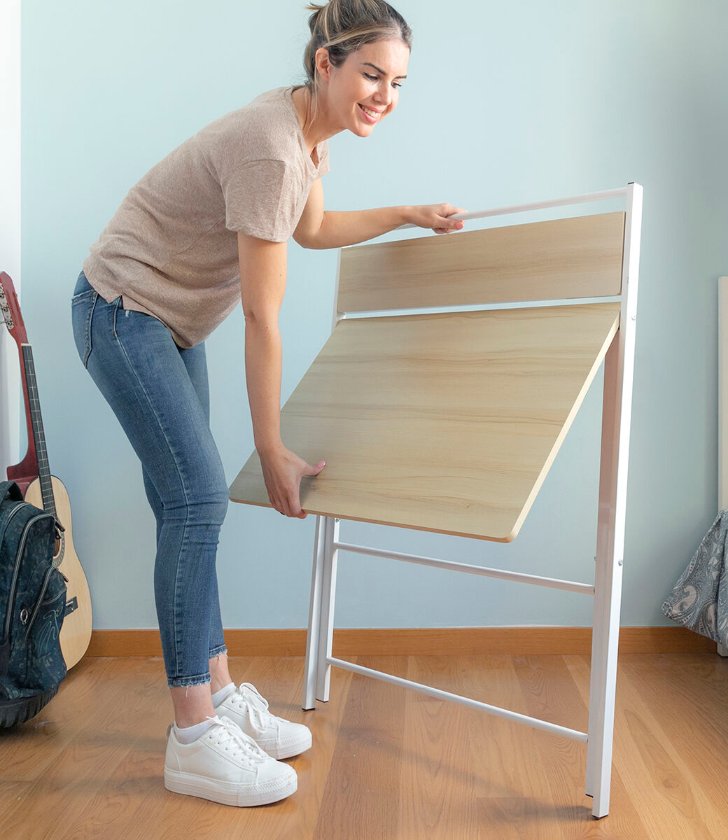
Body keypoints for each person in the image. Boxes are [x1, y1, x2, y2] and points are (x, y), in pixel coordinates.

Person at [71, 0, 464, 808]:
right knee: (198, 500)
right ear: (326, 63)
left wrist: (403, 212)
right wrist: (272, 446)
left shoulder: (307, 138)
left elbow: (311, 229)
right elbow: (262, 316)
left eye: (397, 82)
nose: (384, 96)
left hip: (169, 324)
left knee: (189, 504)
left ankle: (217, 698)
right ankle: (193, 737)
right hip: (123, 312)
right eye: (371, 75)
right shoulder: (274, 149)